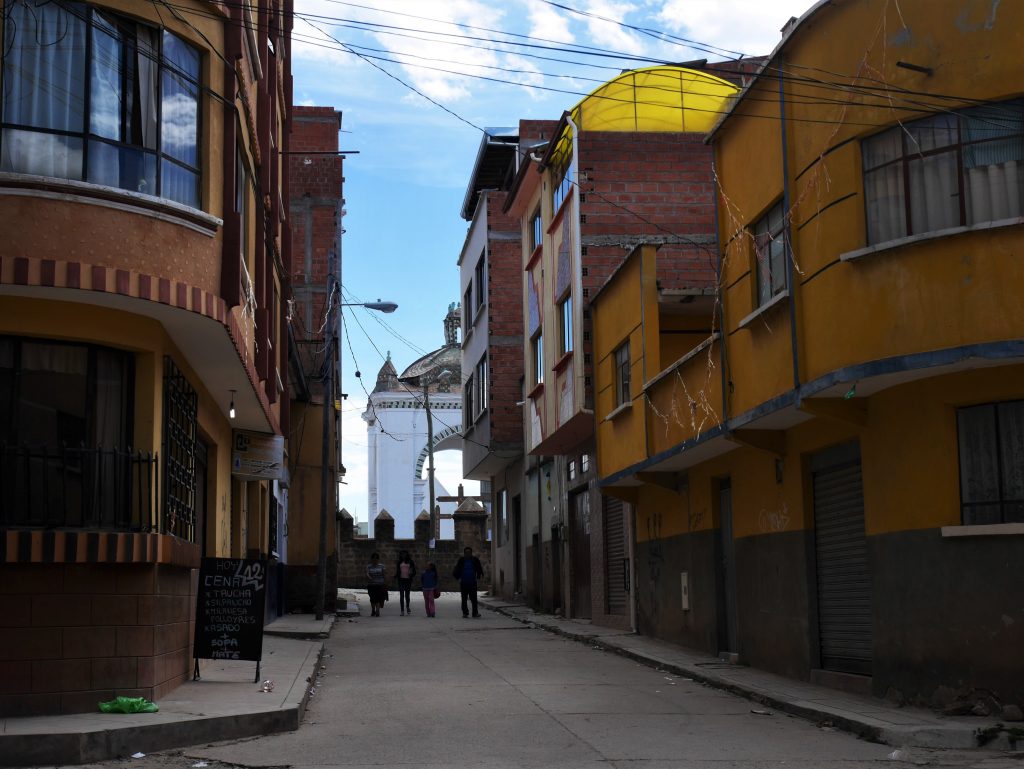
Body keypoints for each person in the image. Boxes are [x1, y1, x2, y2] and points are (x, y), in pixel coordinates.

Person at [452, 546, 484, 618]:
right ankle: (465, 613)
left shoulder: (475, 560)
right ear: (464, 553)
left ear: (471, 553)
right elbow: (457, 569)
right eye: (466, 552)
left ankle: (475, 613)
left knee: (474, 599)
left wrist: (479, 577)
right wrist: (458, 578)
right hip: (463, 582)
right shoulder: (461, 560)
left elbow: (479, 568)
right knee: (464, 599)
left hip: (472, 582)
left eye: (469, 552)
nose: (468, 554)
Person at [394, 549, 417, 616]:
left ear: (407, 555)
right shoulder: (399, 562)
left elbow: (414, 571)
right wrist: (395, 576)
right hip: (401, 580)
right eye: (402, 554)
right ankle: (402, 610)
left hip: (408, 580)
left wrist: (411, 574)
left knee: (407, 595)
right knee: (401, 595)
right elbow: (398, 571)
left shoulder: (410, 562)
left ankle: (407, 606)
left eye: (404, 554)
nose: (403, 555)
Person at [365, 552, 388, 617]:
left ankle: (377, 611)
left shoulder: (382, 566)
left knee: (378, 598)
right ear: (371, 559)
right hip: (371, 585)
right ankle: (373, 610)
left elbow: (384, 574)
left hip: (380, 585)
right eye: (373, 559)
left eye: (376, 559)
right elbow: (367, 573)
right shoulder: (369, 566)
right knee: (372, 598)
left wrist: (385, 582)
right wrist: (369, 577)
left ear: (378, 559)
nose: (375, 560)